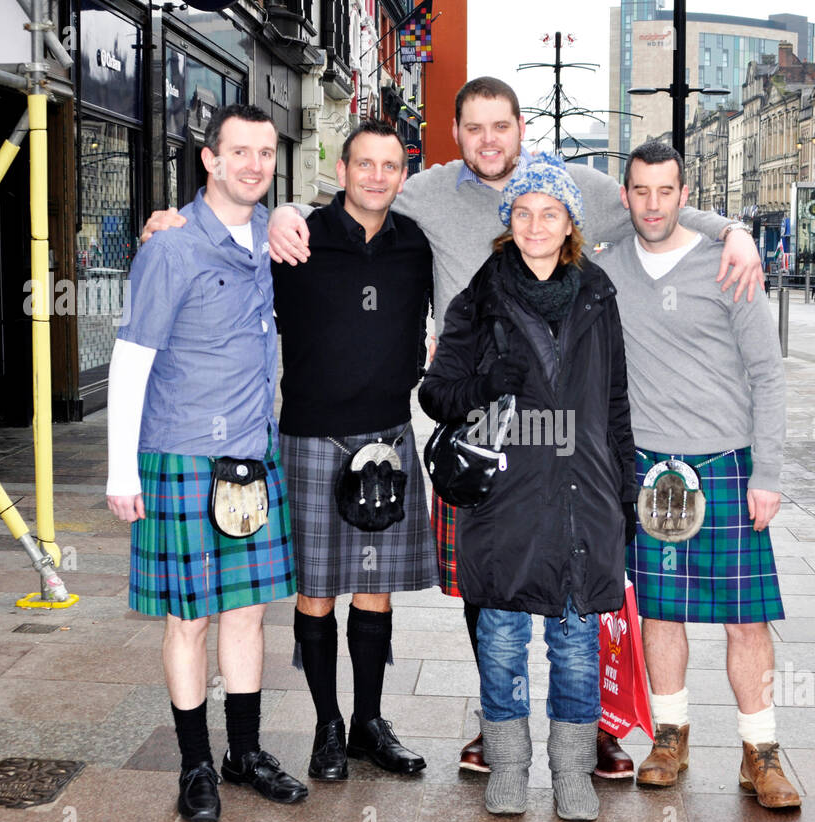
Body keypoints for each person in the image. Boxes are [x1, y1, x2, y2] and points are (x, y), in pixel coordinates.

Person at [142, 76, 764, 779]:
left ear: (520, 128)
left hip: (523, 435)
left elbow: (655, 208)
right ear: (454, 136)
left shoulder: (564, 188)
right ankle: (416, 723)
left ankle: (558, 725)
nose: (489, 139)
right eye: (474, 127)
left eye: (501, 126)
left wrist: (732, 230)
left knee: (547, 594)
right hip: (445, 430)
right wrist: (185, 220)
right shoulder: (398, 203)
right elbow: (286, 212)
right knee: (457, 591)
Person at [418, 153, 638, 821]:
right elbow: (436, 393)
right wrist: (489, 382)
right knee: (504, 640)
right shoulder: (478, 299)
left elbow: (617, 404)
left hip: (582, 500)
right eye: (523, 212)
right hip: (507, 502)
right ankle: (509, 765)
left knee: (574, 644)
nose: (536, 224)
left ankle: (572, 771)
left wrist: (624, 498)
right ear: (507, 221)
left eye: (550, 212)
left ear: (569, 221)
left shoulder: (598, 295)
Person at [106, 104, 307, 822]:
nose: (255, 164)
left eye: (265, 153)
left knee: (248, 613)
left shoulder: (268, 235)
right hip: (182, 456)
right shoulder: (171, 246)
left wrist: (286, 210)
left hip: (251, 453)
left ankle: (244, 754)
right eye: (240, 152)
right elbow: (131, 358)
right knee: (188, 619)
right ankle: (195, 762)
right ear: (209, 160)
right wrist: (119, 471)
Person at [595, 141, 799, 809]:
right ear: (624, 195)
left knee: (747, 619)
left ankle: (759, 751)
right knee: (660, 613)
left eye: (666, 190)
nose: (653, 204)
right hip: (647, 471)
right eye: (640, 191)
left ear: (686, 194)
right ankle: (670, 738)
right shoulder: (608, 263)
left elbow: (767, 373)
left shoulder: (726, 263)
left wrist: (767, 470)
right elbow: (538, 210)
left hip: (726, 464)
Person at [271, 118, 435, 780]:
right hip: (312, 434)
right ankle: (327, 726)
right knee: (317, 590)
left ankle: (368, 721)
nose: (375, 176)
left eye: (388, 166)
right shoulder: (297, 236)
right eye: (363, 164)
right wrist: (165, 224)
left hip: (388, 437)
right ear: (341, 171)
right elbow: (226, 236)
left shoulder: (415, 244)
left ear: (402, 175)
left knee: (375, 590)